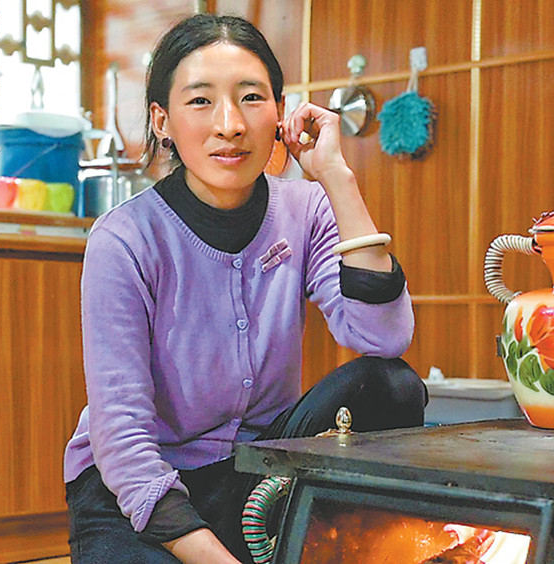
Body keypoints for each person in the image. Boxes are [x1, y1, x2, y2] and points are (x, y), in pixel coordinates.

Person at [63, 13, 426, 563]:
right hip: (135, 493)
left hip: (258, 474)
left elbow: (383, 337)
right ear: (162, 120)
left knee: (390, 386)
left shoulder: (305, 209)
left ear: (280, 113)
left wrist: (336, 177)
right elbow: (124, 440)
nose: (230, 124)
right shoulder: (124, 239)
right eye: (201, 100)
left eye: (252, 98)